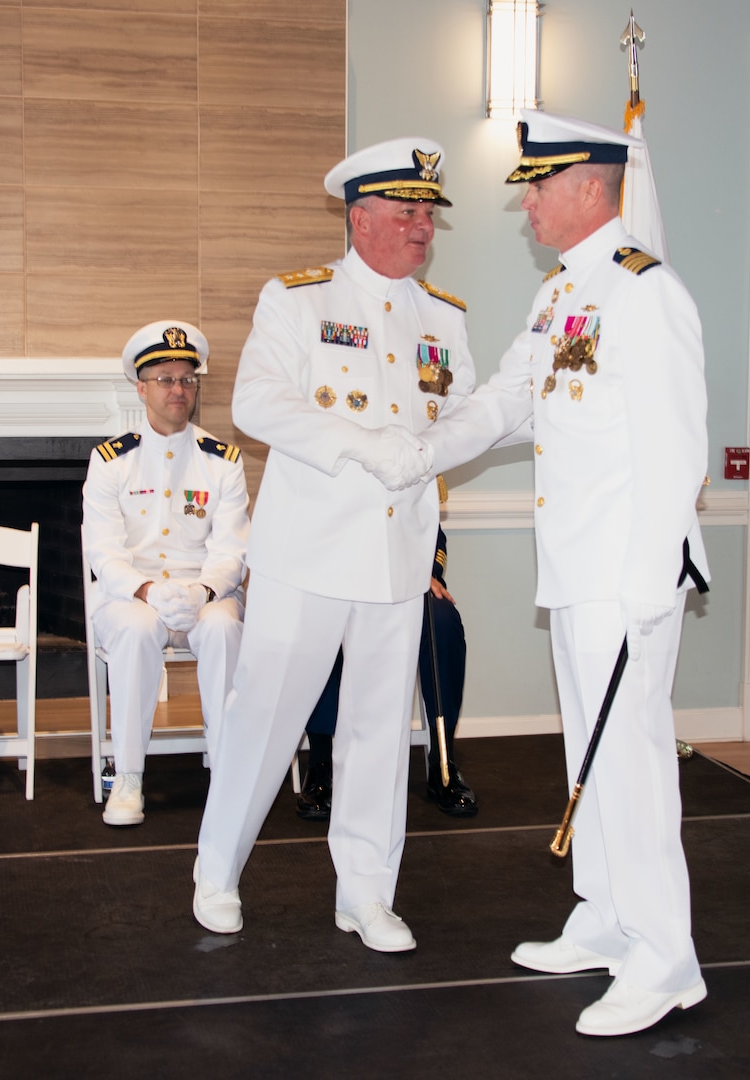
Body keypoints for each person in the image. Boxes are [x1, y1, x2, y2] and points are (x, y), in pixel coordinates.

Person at [419, 111, 711, 1037]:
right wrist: (417, 448)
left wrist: (650, 579)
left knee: (632, 767)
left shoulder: (643, 292)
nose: (527, 202)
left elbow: (675, 449)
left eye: (538, 185)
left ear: (593, 186)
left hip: (625, 576)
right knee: (590, 753)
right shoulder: (561, 297)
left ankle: (665, 960)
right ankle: (605, 919)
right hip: (578, 572)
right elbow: (509, 399)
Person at [191, 138, 473, 952]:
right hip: (307, 554)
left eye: (429, 214)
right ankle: (217, 870)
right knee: (266, 721)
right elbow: (256, 404)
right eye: (407, 212)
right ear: (360, 217)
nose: (424, 227)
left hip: (396, 556)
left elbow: (455, 426)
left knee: (380, 731)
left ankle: (367, 893)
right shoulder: (298, 300)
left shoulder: (444, 316)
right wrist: (361, 443)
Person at [82, 321, 249, 826]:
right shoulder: (111, 461)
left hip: (206, 592)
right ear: (141, 387)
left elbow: (233, 552)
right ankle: (129, 776)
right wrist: (149, 591)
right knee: (135, 629)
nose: (179, 389)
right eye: (165, 378)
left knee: (223, 627)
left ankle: (228, 774)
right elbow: (103, 553)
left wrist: (201, 591)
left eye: (187, 379)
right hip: (131, 593)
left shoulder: (223, 462)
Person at [296, 522, 476, 821]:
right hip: (339, 581)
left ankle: (443, 761)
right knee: (320, 624)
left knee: (442, 619)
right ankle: (321, 765)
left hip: (403, 583)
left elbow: (430, 531)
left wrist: (425, 573)